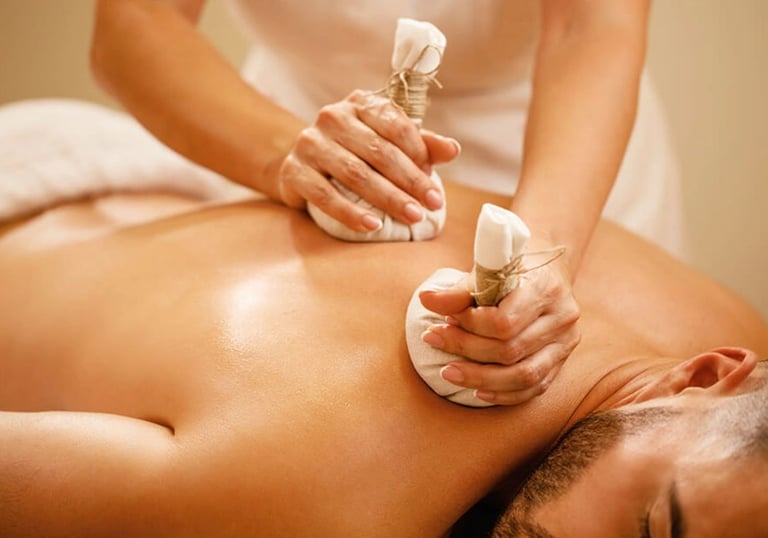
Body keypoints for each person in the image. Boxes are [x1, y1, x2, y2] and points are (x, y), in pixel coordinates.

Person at [0, 173, 764, 537]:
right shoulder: (326, 500)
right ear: (705, 375)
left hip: (149, 193)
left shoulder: (740, 352)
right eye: (651, 530)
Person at [89, 0, 684, 403]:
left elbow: (592, 26)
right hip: (295, 148)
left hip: (562, 169)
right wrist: (285, 154)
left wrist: (544, 250)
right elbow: (136, 20)